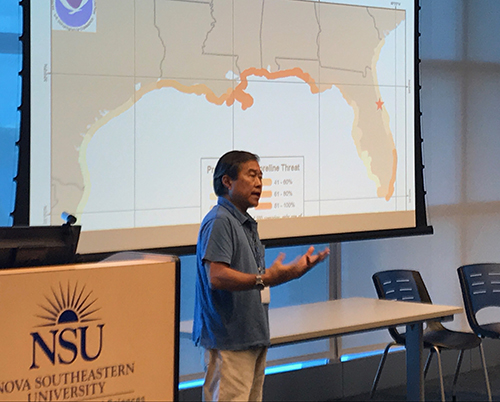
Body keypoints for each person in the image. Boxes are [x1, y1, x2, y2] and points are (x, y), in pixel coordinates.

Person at [192, 150, 329, 402]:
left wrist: (292, 273)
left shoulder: (244, 222)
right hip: (229, 340)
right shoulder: (220, 220)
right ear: (227, 181)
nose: (259, 183)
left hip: (251, 335)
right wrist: (264, 279)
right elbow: (217, 276)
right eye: (251, 175)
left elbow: (255, 278)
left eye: (261, 176)